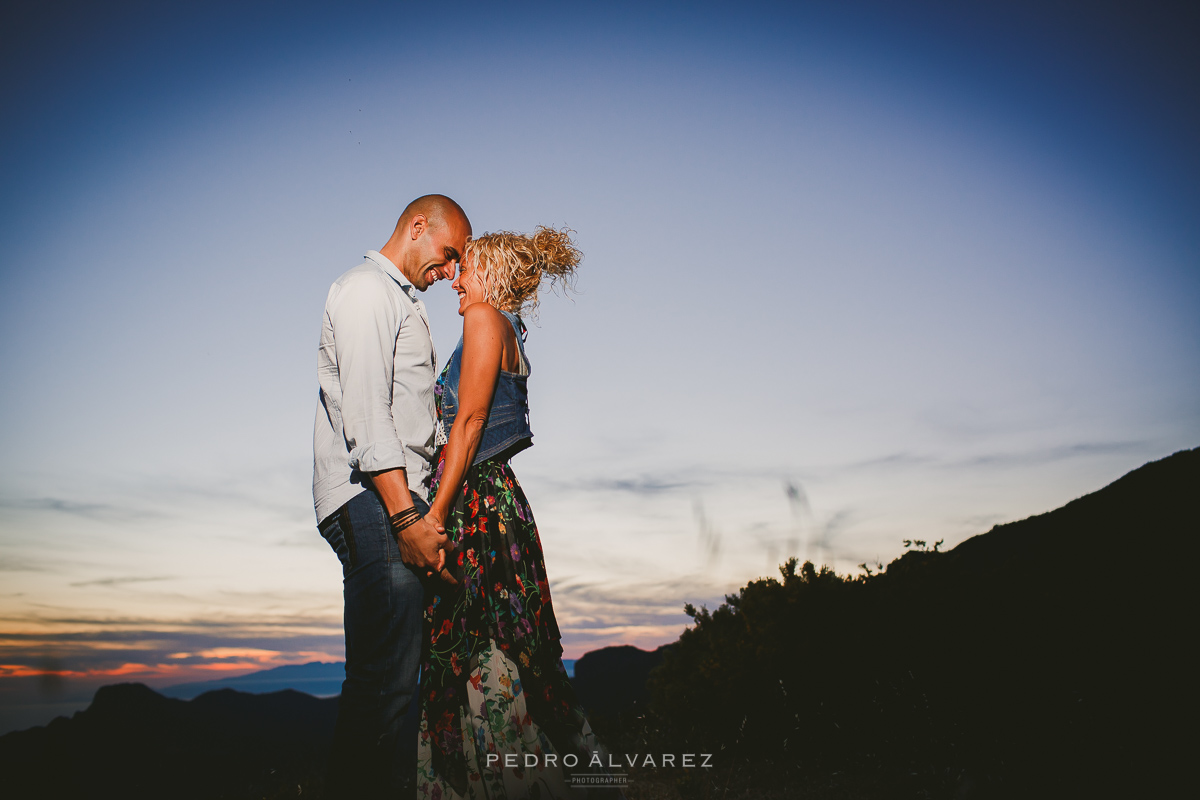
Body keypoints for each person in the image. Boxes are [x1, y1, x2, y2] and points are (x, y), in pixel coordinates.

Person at [417, 227, 621, 798]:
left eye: (466, 269)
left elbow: (470, 423)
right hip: (492, 501)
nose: (455, 279)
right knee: (504, 651)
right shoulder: (509, 329)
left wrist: (434, 515)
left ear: (493, 275)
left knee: (481, 648)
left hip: (474, 504)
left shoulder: (485, 319)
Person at [313, 194, 470, 798]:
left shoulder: (397, 299)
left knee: (398, 680)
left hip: (393, 500)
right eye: (448, 253)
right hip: (376, 501)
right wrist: (406, 515)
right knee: (385, 681)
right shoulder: (365, 291)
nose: (452, 270)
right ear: (418, 226)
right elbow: (366, 416)